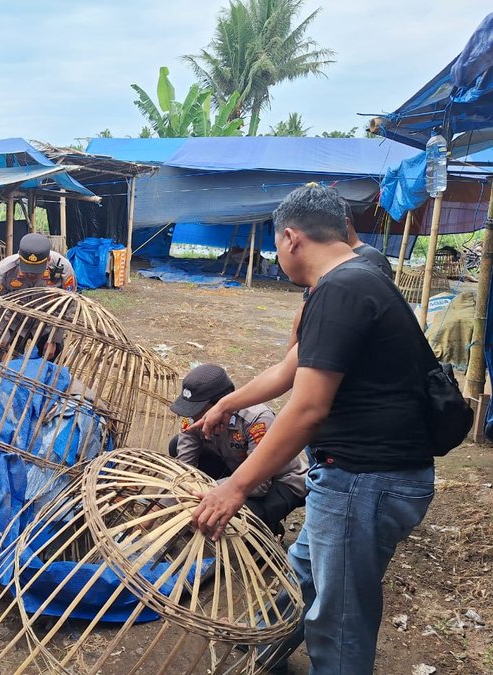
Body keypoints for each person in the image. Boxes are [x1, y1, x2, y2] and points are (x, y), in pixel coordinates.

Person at [190, 184, 435, 674]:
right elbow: (290, 369)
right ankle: (266, 649)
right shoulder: (358, 275)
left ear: (290, 238)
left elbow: (306, 410)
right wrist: (225, 404)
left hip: (366, 479)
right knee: (303, 572)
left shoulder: (341, 290)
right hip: (358, 477)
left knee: (338, 618)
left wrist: (234, 487)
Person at [168, 364, 306, 535]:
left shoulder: (256, 420)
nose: (194, 417)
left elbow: (259, 485)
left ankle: (268, 529)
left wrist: (206, 491)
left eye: (201, 411)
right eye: (191, 410)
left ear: (223, 403)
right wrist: (161, 505)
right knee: (176, 445)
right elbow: (183, 468)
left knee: (235, 519)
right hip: (237, 467)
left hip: (278, 482)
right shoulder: (194, 418)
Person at [287, 195, 393, 350]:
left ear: (344, 224)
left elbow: (371, 322)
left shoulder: (371, 259)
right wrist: (291, 351)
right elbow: (304, 307)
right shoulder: (324, 260)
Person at [0, 233, 77, 360]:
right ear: (19, 258)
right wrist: (3, 343)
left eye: (36, 270)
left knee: (50, 359)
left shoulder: (64, 271)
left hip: (47, 323)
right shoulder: (3, 273)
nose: (31, 274)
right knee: (6, 362)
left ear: (48, 260)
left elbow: (68, 306)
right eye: (27, 269)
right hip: (14, 322)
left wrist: (54, 338)